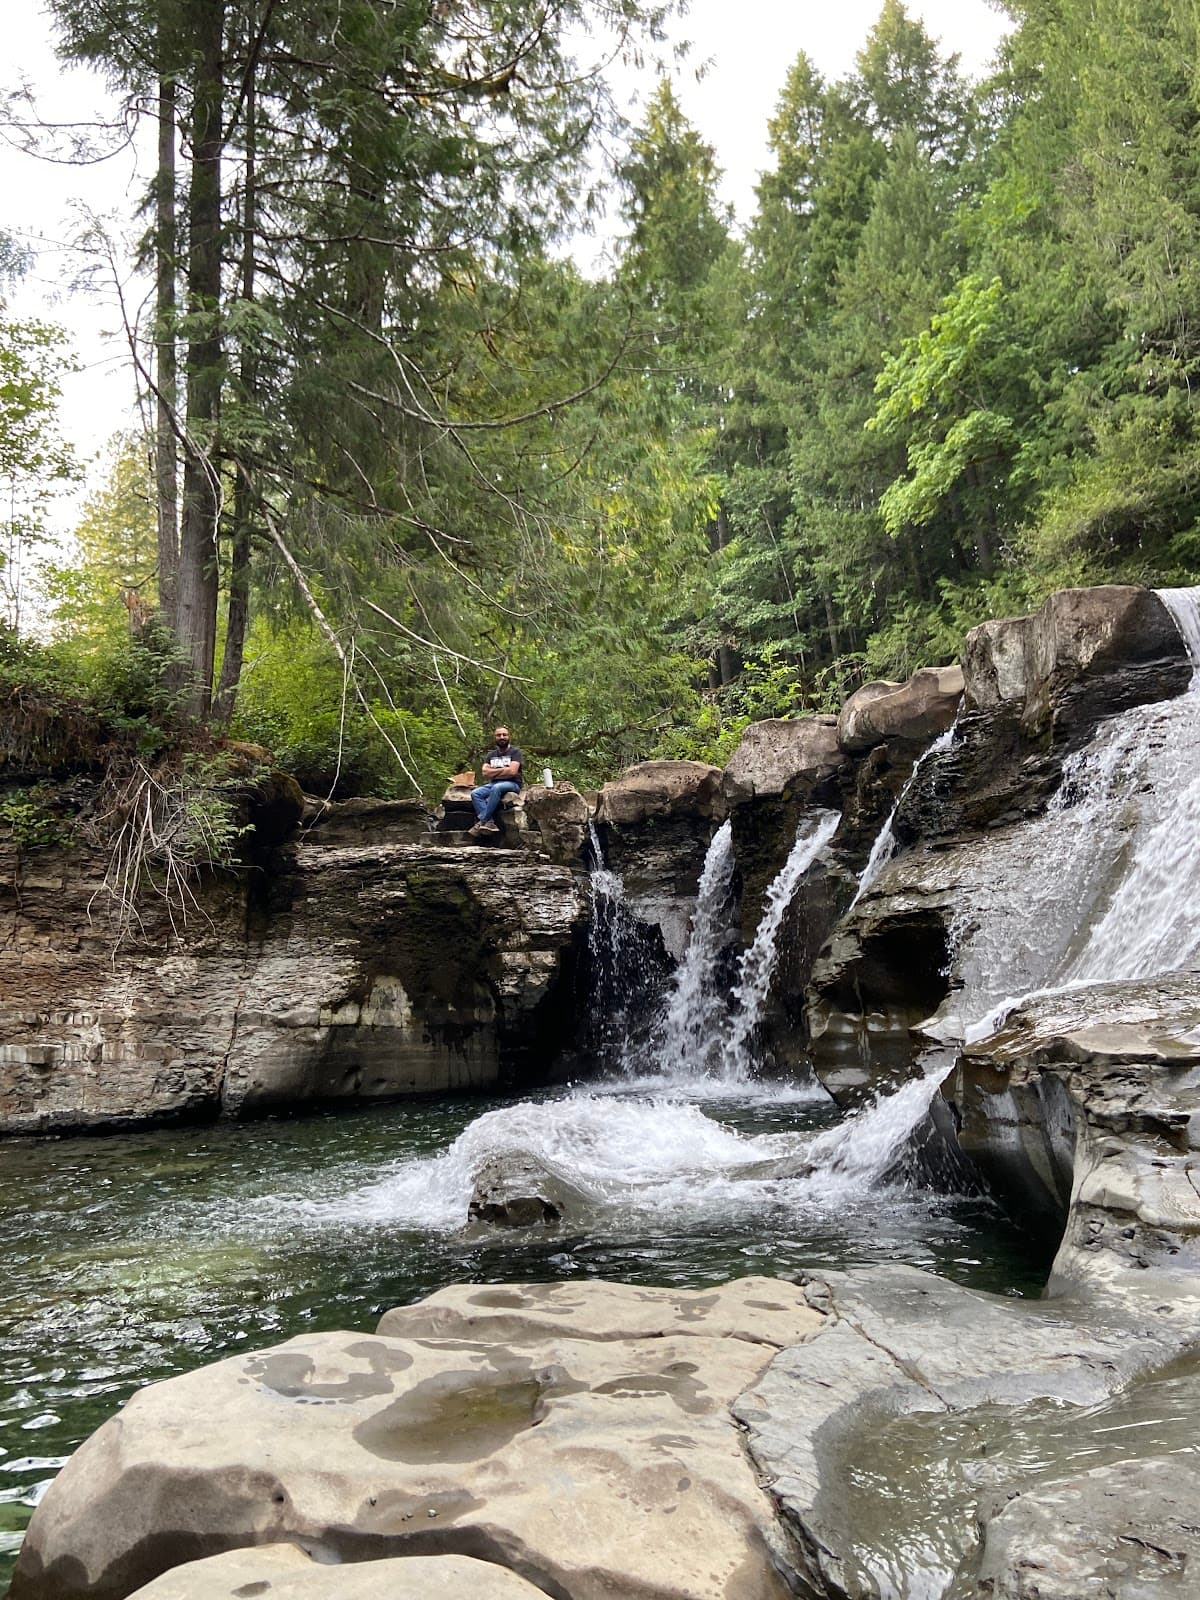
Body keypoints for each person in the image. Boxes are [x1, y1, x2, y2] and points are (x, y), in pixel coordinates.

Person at [468, 727, 524, 835]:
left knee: (496, 788)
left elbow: (512, 772)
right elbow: (485, 773)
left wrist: (494, 771)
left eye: (504, 735)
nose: (502, 737)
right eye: (499, 735)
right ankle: (489, 822)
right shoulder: (491, 755)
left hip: (513, 784)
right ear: (495, 738)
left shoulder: (515, 752)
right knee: (476, 793)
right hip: (493, 783)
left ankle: (482, 821)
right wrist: (504, 770)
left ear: (509, 737)